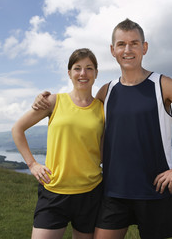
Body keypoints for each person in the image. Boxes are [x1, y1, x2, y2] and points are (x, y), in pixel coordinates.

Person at [33, 19, 172, 239]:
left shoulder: (163, 85)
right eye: (121, 44)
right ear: (113, 50)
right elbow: (78, 107)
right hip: (113, 193)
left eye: (134, 43)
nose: (127, 50)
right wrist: (46, 100)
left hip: (155, 191)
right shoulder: (106, 91)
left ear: (144, 47)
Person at [12, 48, 104, 239]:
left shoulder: (103, 108)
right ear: (69, 73)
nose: (83, 73)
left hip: (90, 192)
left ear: (96, 73)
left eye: (89, 68)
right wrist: (32, 164)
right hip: (53, 190)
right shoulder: (54, 101)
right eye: (77, 68)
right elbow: (17, 129)